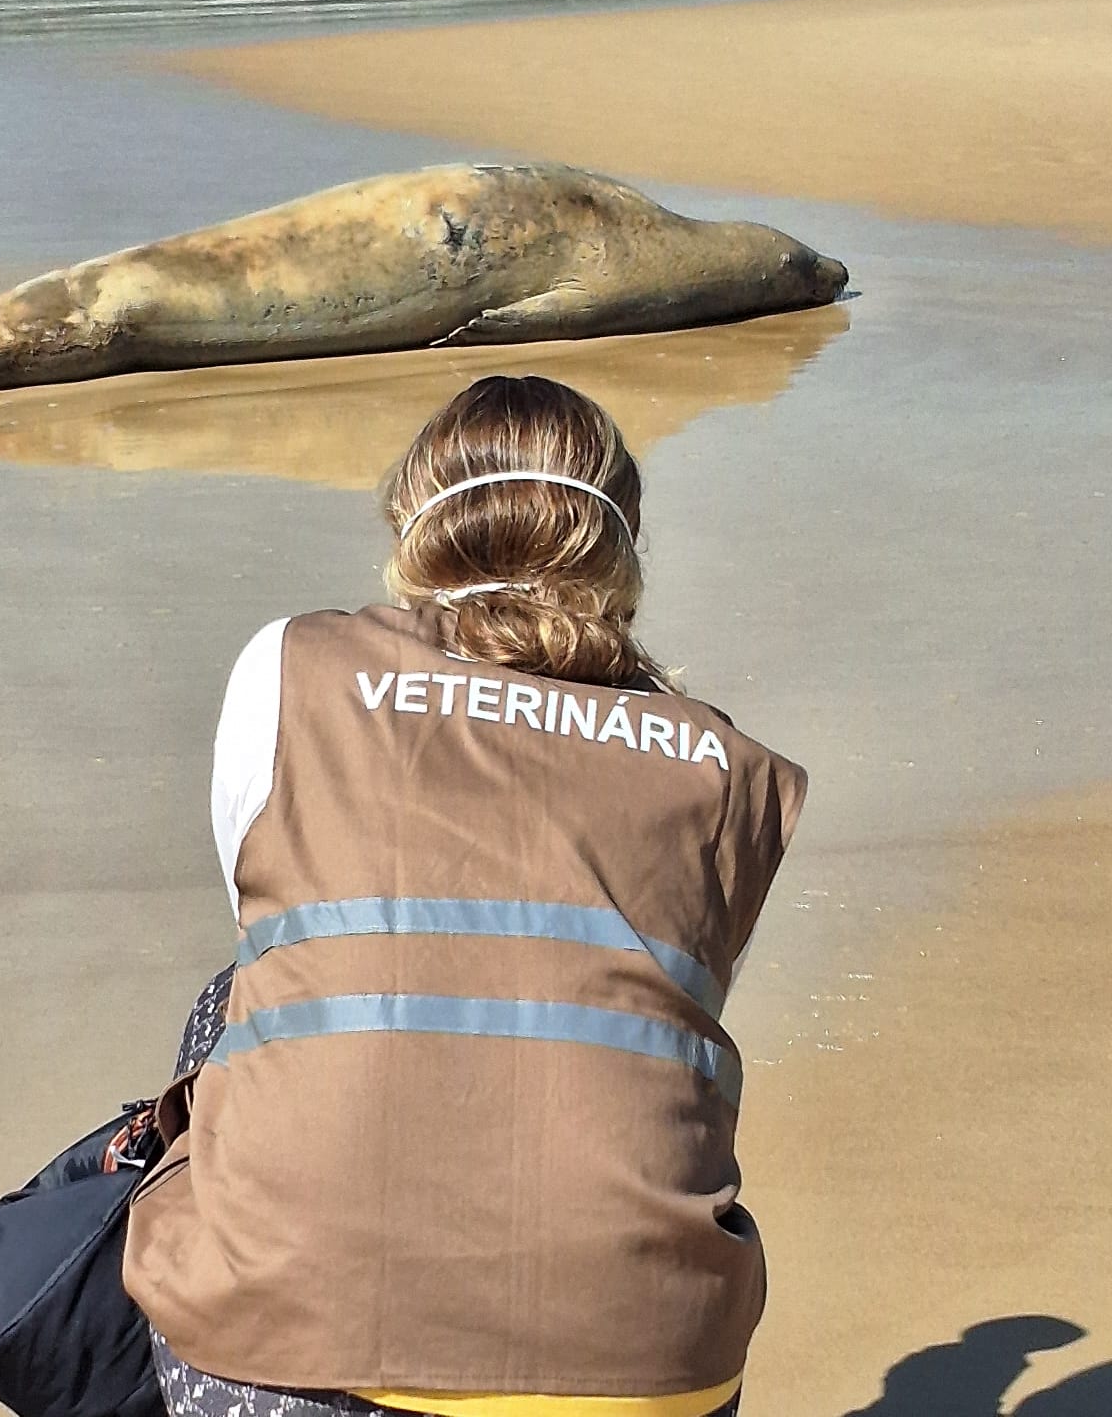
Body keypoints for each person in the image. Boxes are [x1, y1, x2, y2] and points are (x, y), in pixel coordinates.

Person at [125, 374, 807, 1417]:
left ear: (413, 525)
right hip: (650, 1354)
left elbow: (260, 908)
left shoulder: (291, 664)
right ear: (619, 548)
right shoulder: (726, 765)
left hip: (297, 1323)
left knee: (238, 994)